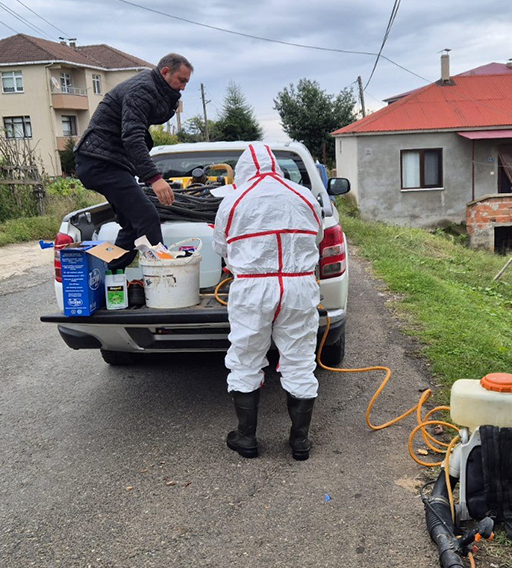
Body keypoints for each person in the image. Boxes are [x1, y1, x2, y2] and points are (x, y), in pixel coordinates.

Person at [212, 143, 324, 461]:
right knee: (300, 359)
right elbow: (316, 237)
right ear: (277, 165)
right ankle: (299, 442)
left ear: (244, 169)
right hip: (298, 285)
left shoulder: (234, 198)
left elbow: (221, 245)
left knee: (246, 357)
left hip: (251, 290)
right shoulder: (303, 195)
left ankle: (246, 438)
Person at [74, 53, 192, 269]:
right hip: (100, 162)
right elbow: (133, 137)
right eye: (181, 80)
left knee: (131, 224)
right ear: (165, 72)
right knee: (147, 217)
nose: (183, 87)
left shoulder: (156, 90)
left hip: (107, 160)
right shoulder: (142, 89)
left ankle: (110, 272)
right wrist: (154, 179)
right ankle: (166, 278)